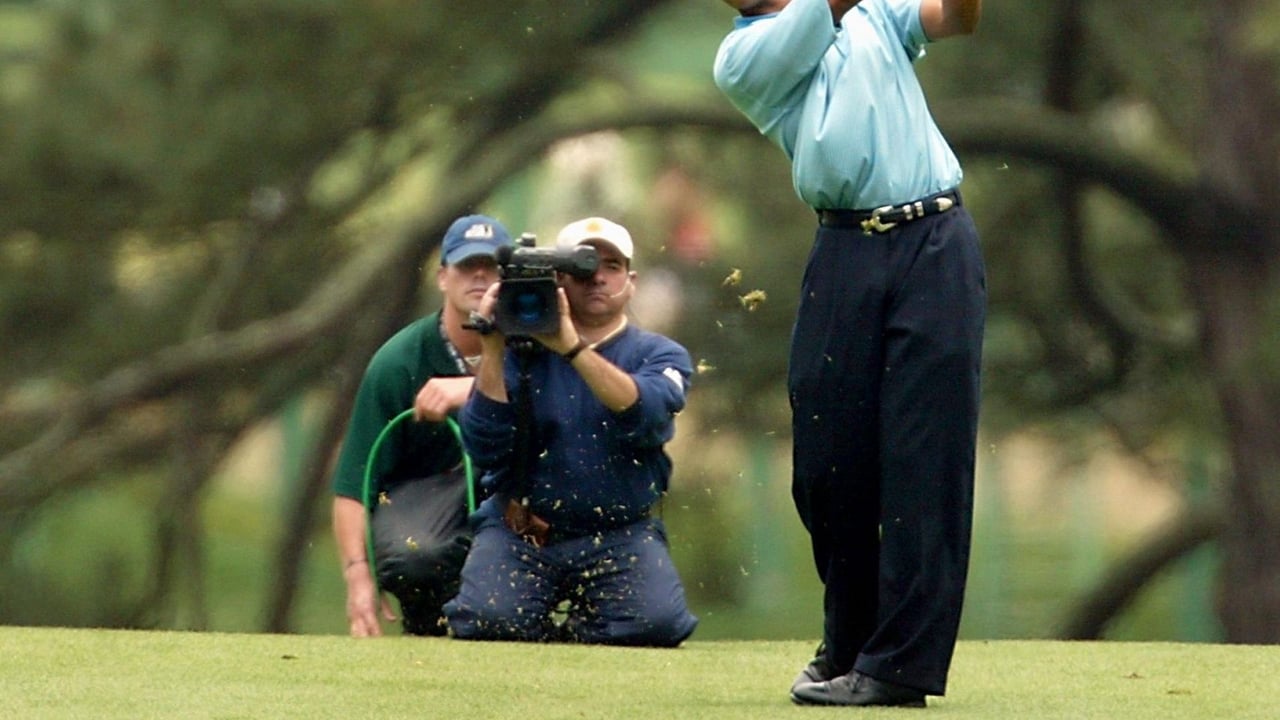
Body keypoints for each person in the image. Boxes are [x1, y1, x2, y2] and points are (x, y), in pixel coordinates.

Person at [714, 0, 986, 708]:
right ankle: (849, 643)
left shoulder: (873, 17)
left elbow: (955, 18)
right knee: (828, 466)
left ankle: (897, 666)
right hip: (842, 250)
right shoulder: (742, 56)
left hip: (936, 241)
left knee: (926, 459)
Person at [443, 217, 699, 647]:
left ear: (631, 281)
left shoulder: (659, 353)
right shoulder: (520, 351)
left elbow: (645, 411)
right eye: (582, 268)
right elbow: (484, 444)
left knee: (657, 625)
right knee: (487, 620)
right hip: (524, 531)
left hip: (620, 533)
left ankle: (580, 626)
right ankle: (547, 622)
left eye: (612, 266)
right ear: (559, 280)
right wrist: (492, 347)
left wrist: (571, 348)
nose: (597, 277)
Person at [331, 214, 514, 637]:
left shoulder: (538, 342)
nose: (481, 276)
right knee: (415, 553)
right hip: (428, 508)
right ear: (443, 278)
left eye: (493, 266)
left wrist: (470, 389)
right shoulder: (399, 363)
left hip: (517, 494)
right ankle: (427, 622)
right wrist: (358, 576)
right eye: (468, 266)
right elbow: (353, 486)